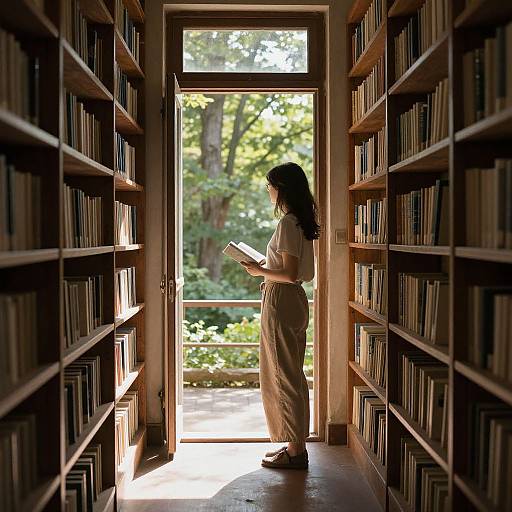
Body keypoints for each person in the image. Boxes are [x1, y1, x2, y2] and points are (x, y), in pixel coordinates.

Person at [241, 162, 320, 470]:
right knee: (292, 375)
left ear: (282, 188)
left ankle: (296, 452)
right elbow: (295, 273)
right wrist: (267, 273)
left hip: (282, 300)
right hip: (294, 299)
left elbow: (287, 273)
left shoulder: (288, 223)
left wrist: (258, 269)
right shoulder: (301, 221)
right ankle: (292, 444)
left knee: (283, 377)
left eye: (270, 185)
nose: (268, 190)